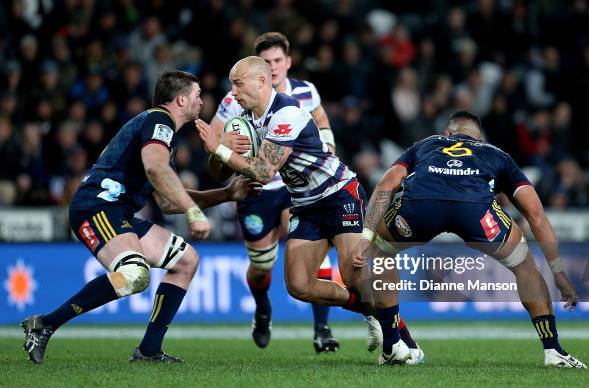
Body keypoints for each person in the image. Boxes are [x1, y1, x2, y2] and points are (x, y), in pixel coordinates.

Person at [197, 56, 422, 364]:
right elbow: (220, 173)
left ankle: (401, 343)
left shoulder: (286, 112)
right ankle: (369, 311)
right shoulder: (244, 119)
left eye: (238, 83)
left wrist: (219, 148)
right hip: (305, 204)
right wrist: (219, 151)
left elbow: (263, 172)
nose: (232, 92)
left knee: (352, 273)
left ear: (261, 82)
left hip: (338, 193)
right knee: (299, 285)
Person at [21, 70, 252, 364]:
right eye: (197, 96)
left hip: (118, 210)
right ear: (181, 99)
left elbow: (167, 201)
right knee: (134, 274)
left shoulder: (160, 131)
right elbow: (157, 169)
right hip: (97, 206)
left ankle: (149, 350)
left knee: (186, 261)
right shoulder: (160, 121)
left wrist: (227, 194)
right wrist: (193, 211)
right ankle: (45, 324)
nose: (201, 101)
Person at [353, 110, 587, 368]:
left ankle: (393, 345)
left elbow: (387, 185)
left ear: (449, 133)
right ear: (481, 138)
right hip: (475, 212)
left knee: (382, 252)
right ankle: (553, 350)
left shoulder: (427, 144)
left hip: (421, 208)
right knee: (524, 265)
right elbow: (536, 215)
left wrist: (366, 235)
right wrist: (558, 273)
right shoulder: (498, 155)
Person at [209, 32, 342, 352]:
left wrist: (329, 149)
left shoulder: (304, 93)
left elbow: (321, 119)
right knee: (261, 266)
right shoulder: (234, 100)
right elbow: (215, 142)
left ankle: (322, 328)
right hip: (256, 188)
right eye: (266, 62)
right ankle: (262, 308)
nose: (273, 67)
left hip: (293, 187)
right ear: (258, 71)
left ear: (288, 62)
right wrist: (224, 147)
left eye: (278, 61)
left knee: (313, 250)